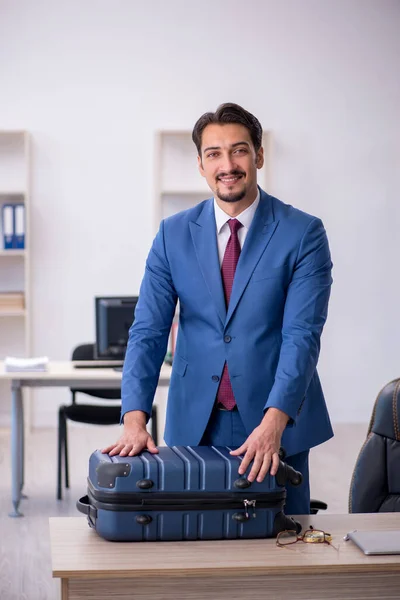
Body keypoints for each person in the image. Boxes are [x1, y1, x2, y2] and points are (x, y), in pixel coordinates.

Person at [102, 102, 333, 515]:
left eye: (239, 150)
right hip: (196, 421)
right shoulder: (173, 235)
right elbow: (148, 332)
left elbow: (302, 337)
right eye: (214, 154)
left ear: (259, 155)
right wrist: (134, 418)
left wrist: (275, 422)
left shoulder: (303, 233)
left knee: (282, 550)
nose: (227, 164)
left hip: (274, 419)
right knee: (195, 545)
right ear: (200, 164)